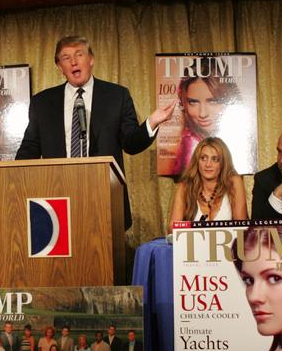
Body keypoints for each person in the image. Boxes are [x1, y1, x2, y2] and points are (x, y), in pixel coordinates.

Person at [15, 35, 176, 229]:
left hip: (104, 197)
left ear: (91, 60)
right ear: (59, 67)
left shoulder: (117, 96)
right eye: (66, 58)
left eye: (79, 54)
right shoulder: (42, 102)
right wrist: (11, 179)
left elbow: (131, 143)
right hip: (56, 199)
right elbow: (29, 149)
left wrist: (152, 122)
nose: (73, 61)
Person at [168, 137, 247, 232]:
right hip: (194, 245)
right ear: (197, 161)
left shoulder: (233, 182)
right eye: (203, 158)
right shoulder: (185, 185)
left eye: (215, 159)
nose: (208, 164)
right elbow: (172, 228)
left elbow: (242, 227)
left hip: (227, 245)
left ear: (223, 163)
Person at [172, 72, 241, 175]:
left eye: (212, 101)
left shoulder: (242, 138)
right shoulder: (190, 145)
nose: (202, 114)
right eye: (193, 102)